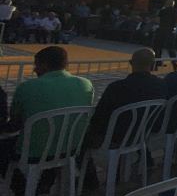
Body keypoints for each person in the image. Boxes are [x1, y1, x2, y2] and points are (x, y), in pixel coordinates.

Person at [4, 46, 93, 174]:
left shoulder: (27, 87)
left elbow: (15, 122)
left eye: (36, 65)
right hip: (70, 149)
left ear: (44, 65)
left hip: (33, 153)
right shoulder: (86, 84)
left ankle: (18, 183)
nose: (34, 69)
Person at [83, 48, 167, 150]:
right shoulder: (162, 85)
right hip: (144, 133)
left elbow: (98, 117)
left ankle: (84, 158)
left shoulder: (116, 87)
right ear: (153, 65)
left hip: (116, 136)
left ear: (131, 63)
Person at [153, 0, 177, 71]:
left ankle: (156, 64)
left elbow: (157, 20)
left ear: (166, 4)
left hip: (161, 30)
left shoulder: (163, 10)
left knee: (158, 47)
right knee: (171, 48)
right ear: (173, 4)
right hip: (170, 31)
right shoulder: (175, 11)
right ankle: (174, 63)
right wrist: (173, 27)